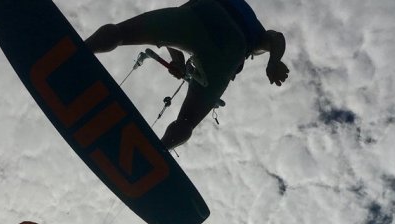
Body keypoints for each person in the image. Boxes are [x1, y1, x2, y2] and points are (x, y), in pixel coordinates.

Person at [85, 0, 289, 149]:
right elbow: (276, 37)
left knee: (121, 33)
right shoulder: (256, 31)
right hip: (231, 50)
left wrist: (177, 60)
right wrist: (274, 62)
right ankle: (159, 153)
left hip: (203, 12)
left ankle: (81, 49)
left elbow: (173, 24)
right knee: (187, 121)